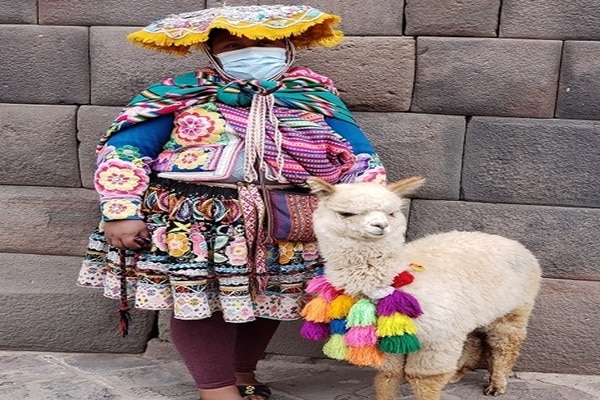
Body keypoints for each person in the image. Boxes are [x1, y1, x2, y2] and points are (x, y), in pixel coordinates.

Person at [77, 4, 387, 400]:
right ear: (212, 52)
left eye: (265, 43)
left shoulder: (312, 96)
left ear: (288, 47)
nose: (251, 52)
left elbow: (359, 159)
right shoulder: (180, 94)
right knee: (200, 303)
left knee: (274, 298)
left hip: (288, 218)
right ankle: (216, 389)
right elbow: (126, 151)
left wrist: (368, 216)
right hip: (196, 221)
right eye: (233, 45)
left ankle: (242, 372)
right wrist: (120, 211)